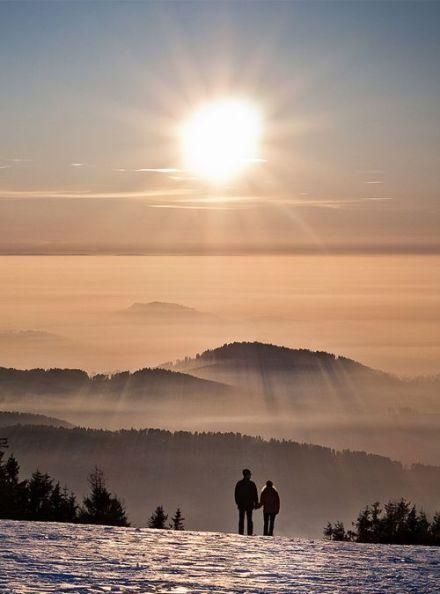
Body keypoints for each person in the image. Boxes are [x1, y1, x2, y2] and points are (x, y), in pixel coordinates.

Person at [234, 468, 259, 535]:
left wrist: (238, 502)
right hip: (249, 505)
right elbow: (255, 495)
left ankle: (241, 533)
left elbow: (236, 494)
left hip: (242, 505)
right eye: (249, 474)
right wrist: (256, 503)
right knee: (249, 520)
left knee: (242, 520)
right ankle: (249, 533)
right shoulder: (252, 484)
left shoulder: (239, 483)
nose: (250, 476)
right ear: (247, 475)